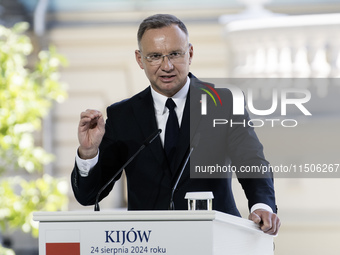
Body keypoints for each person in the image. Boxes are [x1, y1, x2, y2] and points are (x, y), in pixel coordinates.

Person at [71, 14, 281, 235]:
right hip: (148, 243)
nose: (167, 66)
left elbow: (251, 161)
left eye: (175, 54)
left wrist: (261, 205)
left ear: (190, 53)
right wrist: (88, 152)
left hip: (215, 238)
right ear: (140, 59)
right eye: (154, 56)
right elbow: (88, 195)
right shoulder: (123, 115)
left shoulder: (224, 103)